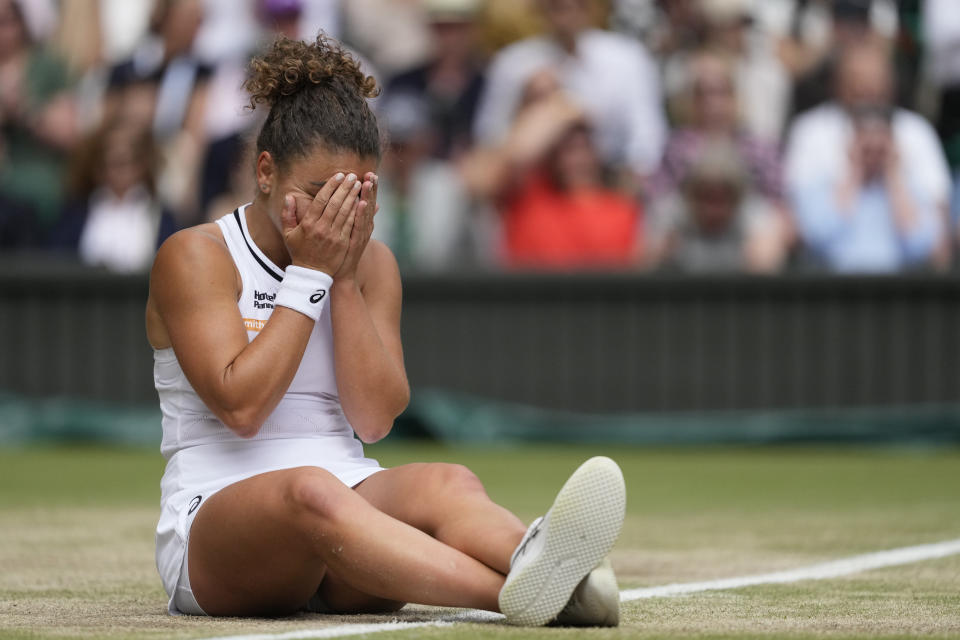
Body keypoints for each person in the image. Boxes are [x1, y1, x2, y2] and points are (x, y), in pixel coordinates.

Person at [145, 34, 626, 626]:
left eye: (359, 196)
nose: (339, 216)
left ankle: (535, 559)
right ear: (265, 172)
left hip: (354, 529)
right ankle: (523, 595)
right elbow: (242, 410)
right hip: (219, 528)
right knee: (312, 490)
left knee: (448, 480)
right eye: (322, 195)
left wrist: (343, 280)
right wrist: (313, 274)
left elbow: (373, 419)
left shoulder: (372, 265)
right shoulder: (196, 255)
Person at [791, 105, 943, 273]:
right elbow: (817, 237)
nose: (872, 158)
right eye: (866, 150)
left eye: (880, 150)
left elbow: (919, 245)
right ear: (851, 144)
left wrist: (894, 176)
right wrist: (854, 174)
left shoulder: (913, 191)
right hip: (835, 287)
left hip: (894, 289)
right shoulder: (821, 187)